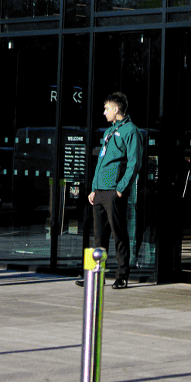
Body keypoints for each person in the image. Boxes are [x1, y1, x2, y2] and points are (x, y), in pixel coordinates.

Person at [76, 92, 143, 290]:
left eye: (106, 108)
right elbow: (101, 162)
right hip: (99, 192)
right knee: (98, 237)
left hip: (114, 191)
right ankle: (94, 275)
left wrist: (121, 189)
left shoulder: (131, 131)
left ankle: (122, 276)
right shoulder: (108, 133)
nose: (104, 112)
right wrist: (94, 188)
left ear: (116, 109)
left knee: (119, 235)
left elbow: (134, 162)